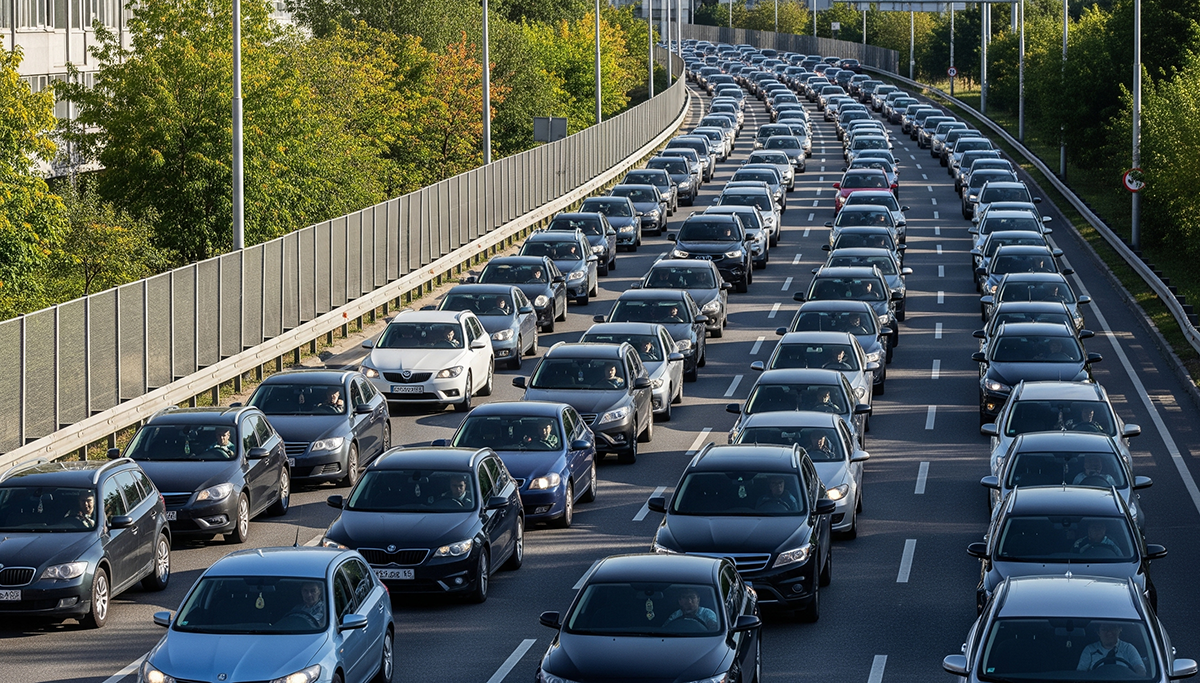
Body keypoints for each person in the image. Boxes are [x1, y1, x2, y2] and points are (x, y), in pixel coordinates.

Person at [1077, 622, 1147, 675]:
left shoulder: (1128, 648)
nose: (1109, 632)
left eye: (1113, 628)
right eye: (1104, 629)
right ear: (1098, 632)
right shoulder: (1089, 650)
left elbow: (1140, 669)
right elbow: (1080, 673)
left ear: (1120, 629)